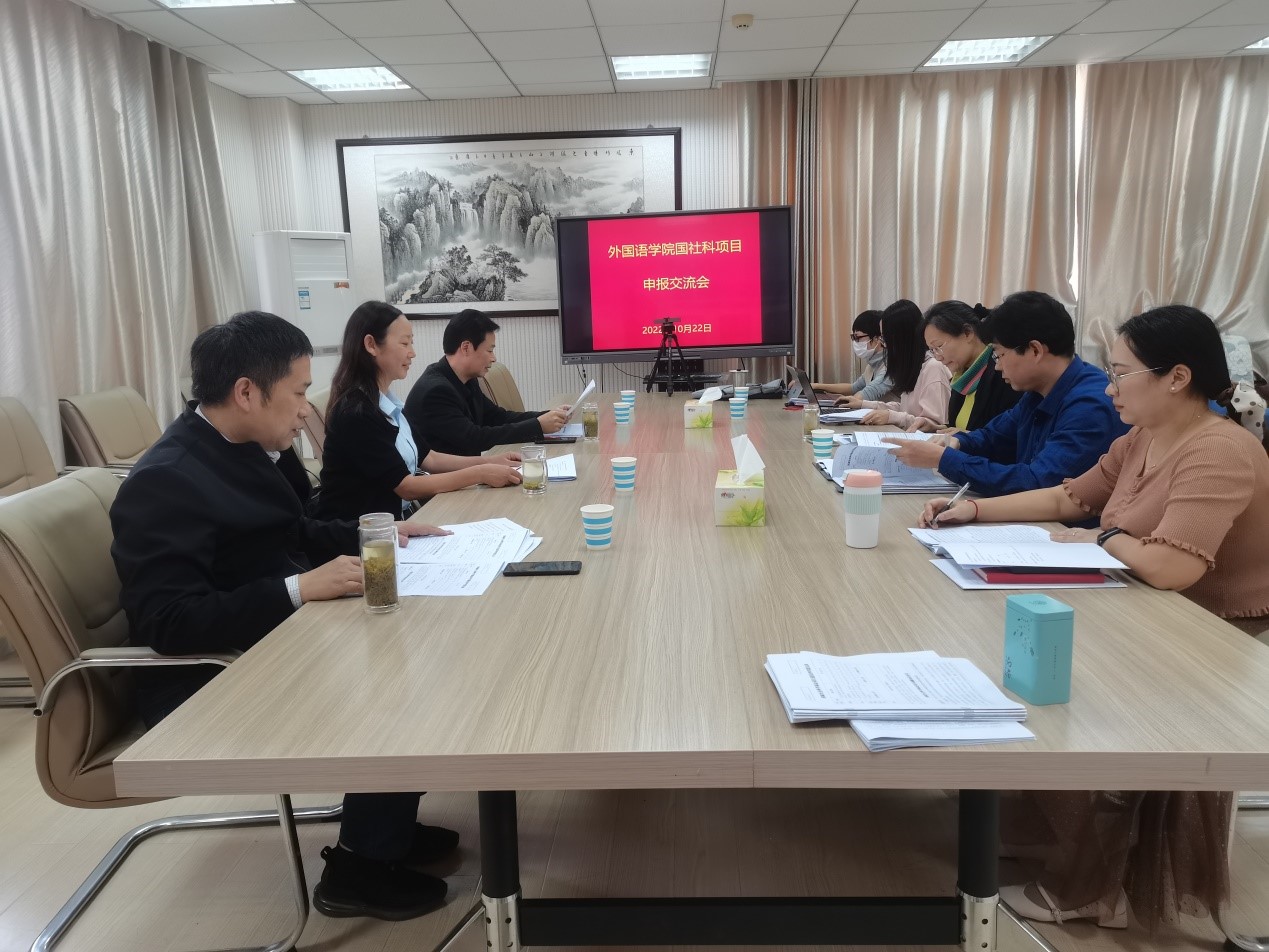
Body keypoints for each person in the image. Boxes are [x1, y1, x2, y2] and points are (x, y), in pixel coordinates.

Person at [918, 305, 1269, 930]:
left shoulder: (1221, 450)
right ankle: (1045, 828)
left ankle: (1095, 886)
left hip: (1209, 627)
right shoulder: (1142, 437)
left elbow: (1172, 567)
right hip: (1143, 601)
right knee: (1025, 653)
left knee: (1083, 691)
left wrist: (1103, 538)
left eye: (1121, 373)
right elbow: (1068, 497)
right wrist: (973, 513)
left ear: (1177, 377)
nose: (1109, 389)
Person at [110, 311, 456, 923]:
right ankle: (358, 869)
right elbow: (168, 621)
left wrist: (377, 534)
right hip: (207, 678)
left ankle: (387, 828)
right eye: (298, 393)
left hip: (270, 642)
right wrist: (298, 589)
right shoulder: (166, 480)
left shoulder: (246, 447)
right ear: (247, 392)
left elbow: (294, 531)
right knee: (397, 674)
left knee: (416, 637)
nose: (305, 411)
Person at [885, 291, 1128, 496]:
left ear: (1035, 350)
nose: (998, 365)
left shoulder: (1089, 405)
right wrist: (957, 442)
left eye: (1000, 354)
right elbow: (994, 436)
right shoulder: (1037, 391)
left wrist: (944, 459)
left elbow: (1037, 482)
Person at [315, 301, 523, 521]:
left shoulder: (388, 402)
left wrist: (491, 461)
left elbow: (430, 458)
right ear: (371, 345)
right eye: (405, 343)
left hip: (397, 522)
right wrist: (480, 473)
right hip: (362, 534)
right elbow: (407, 487)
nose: (412, 353)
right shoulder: (356, 412)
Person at [405, 308, 570, 456]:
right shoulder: (436, 391)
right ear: (466, 348)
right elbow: (474, 438)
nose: (493, 358)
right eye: (489, 350)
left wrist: (548, 416)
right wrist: (538, 426)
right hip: (444, 479)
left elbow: (497, 417)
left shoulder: (466, 379)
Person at [907, 300, 1020, 433]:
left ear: (967, 333)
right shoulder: (962, 377)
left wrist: (966, 438)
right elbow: (961, 427)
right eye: (932, 350)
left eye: (939, 347)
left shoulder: (1002, 372)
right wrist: (935, 428)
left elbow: (1006, 436)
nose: (938, 357)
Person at [838, 299, 951, 429]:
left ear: (901, 339)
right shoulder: (913, 366)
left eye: (885, 338)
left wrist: (891, 417)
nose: (884, 345)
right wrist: (863, 404)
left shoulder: (933, 368)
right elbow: (905, 409)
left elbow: (934, 425)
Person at [811, 309, 894, 402]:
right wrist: (817, 386)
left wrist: (846, 401)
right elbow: (854, 388)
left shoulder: (891, 366)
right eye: (853, 337)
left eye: (857, 337)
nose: (855, 342)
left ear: (877, 338)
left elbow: (869, 392)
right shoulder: (872, 366)